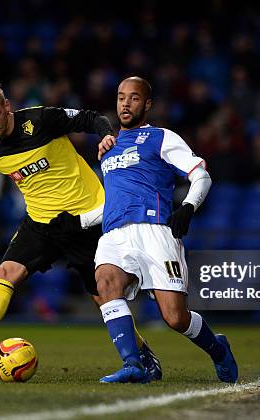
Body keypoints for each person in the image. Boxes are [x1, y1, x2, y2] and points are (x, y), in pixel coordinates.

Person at [0, 79, 162, 380]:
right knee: (5, 272)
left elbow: (90, 118)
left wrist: (105, 136)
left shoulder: (41, 120)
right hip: (40, 223)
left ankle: (143, 357)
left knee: (104, 298)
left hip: (85, 219)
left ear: (7, 106)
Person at [94, 76, 238, 383]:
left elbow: (201, 175)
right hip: (115, 233)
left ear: (147, 104)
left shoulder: (161, 137)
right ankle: (134, 364)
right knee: (105, 283)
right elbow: (113, 198)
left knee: (175, 317)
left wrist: (188, 207)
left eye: (133, 98)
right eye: (121, 97)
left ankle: (218, 349)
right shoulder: (107, 147)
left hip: (156, 231)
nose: (125, 103)